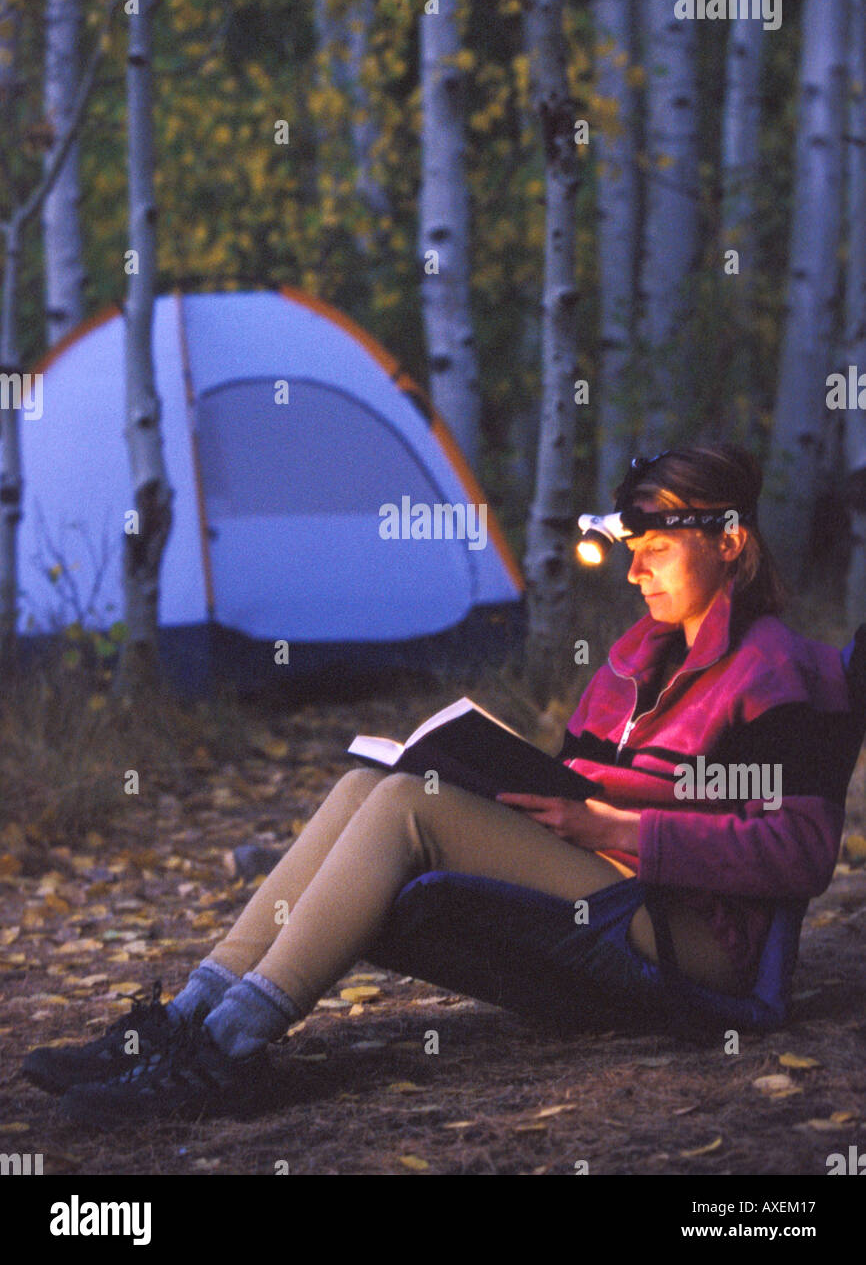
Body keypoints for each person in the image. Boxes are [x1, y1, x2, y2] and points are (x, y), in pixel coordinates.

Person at [22, 443, 851, 1129]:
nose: (637, 575)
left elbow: (801, 853)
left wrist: (616, 829)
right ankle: (189, 1021)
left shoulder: (777, 669)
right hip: (612, 886)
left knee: (403, 808)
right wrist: (527, 788)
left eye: (657, 552)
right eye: (632, 555)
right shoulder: (637, 655)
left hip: (695, 938)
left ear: (731, 543)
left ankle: (230, 1052)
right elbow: (580, 780)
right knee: (363, 785)